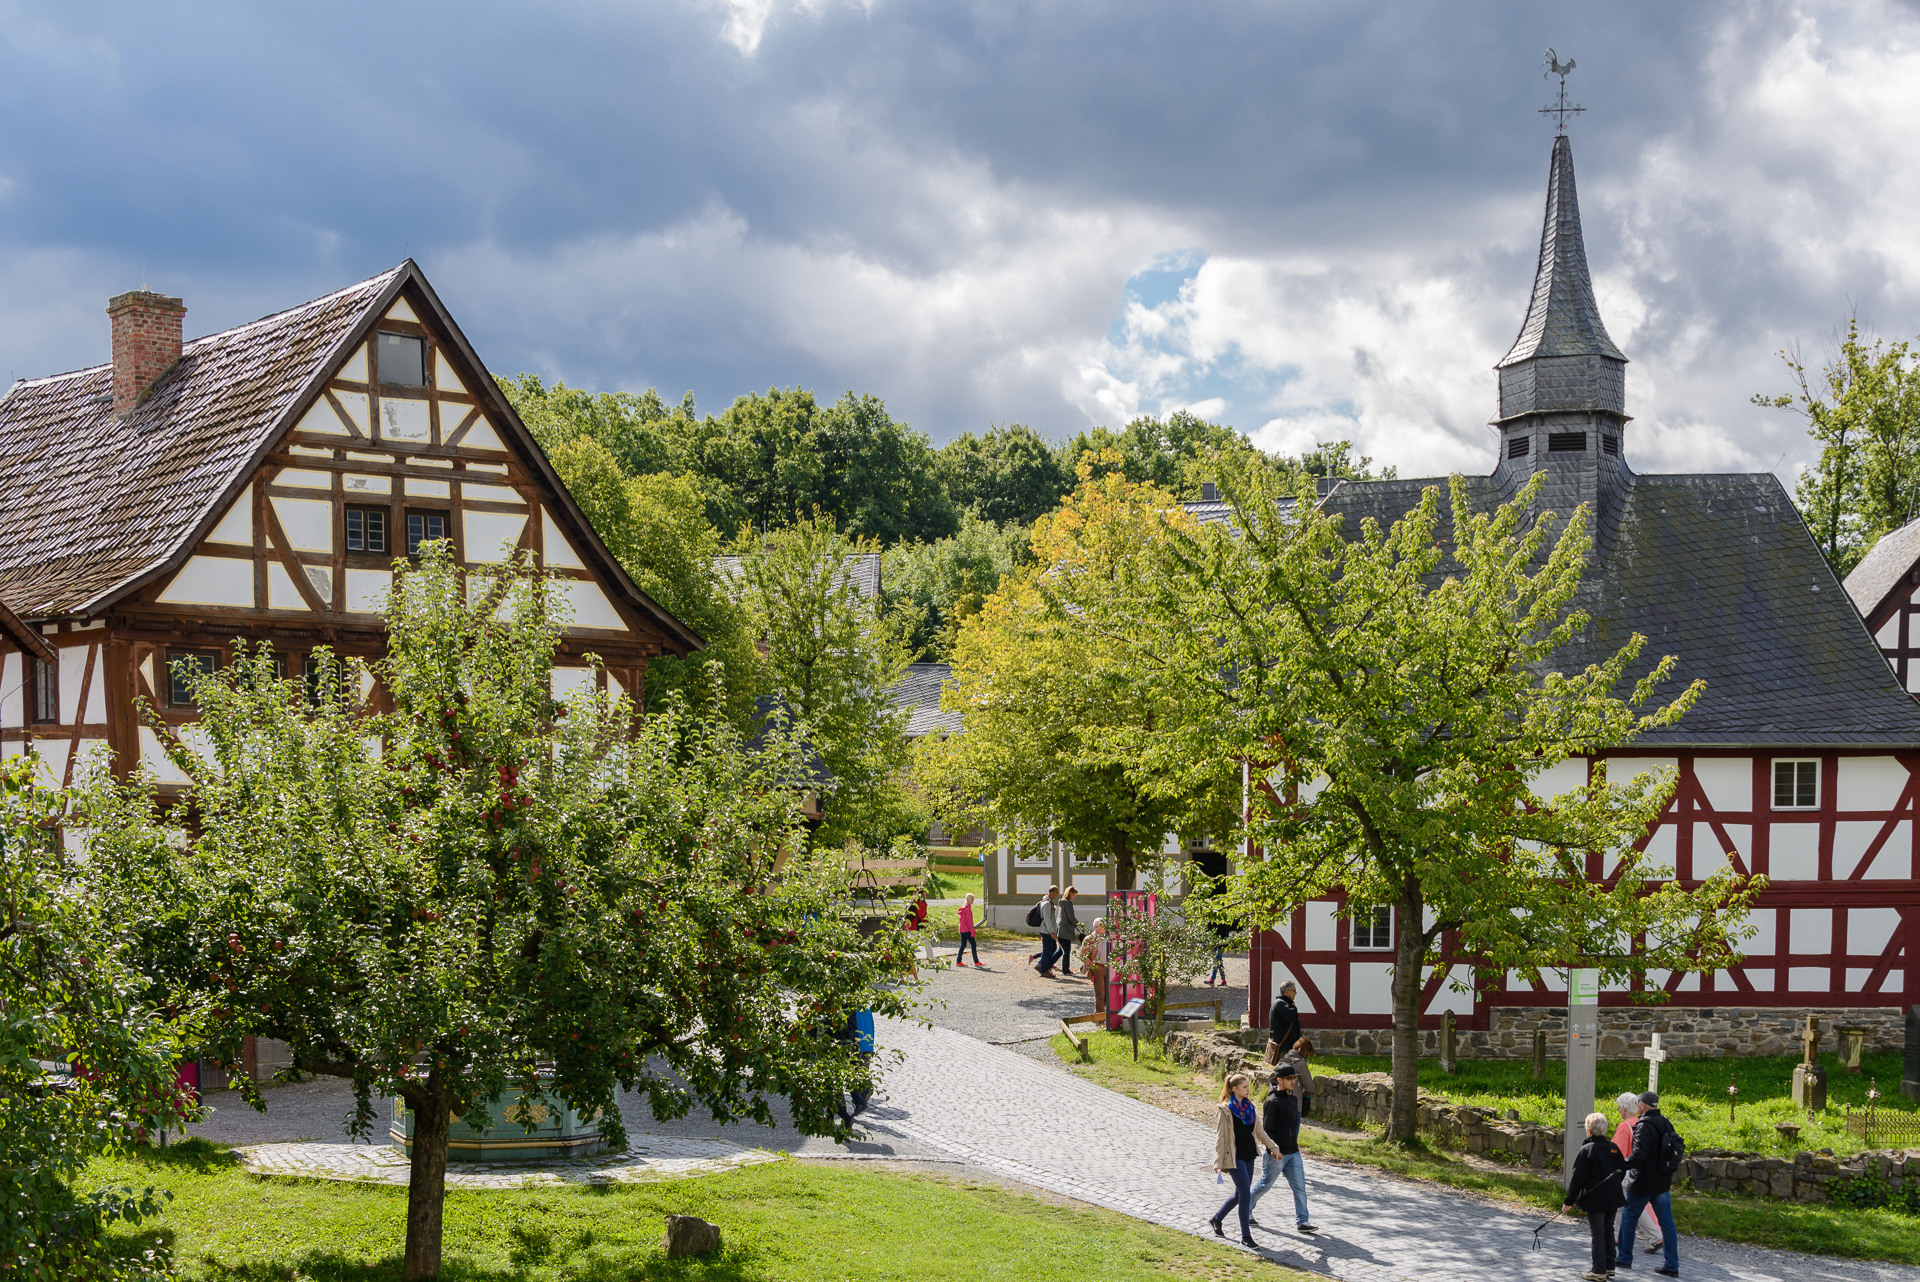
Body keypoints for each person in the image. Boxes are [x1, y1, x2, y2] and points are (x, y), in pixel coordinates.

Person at [1210, 1071, 1282, 1247]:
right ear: (1234, 1089)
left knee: (1239, 1194)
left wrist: (1273, 1147)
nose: (1248, 1090)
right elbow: (1221, 1138)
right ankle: (1246, 1237)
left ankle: (1217, 1219)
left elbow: (1259, 1132)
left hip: (1249, 1153)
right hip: (1234, 1157)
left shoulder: (1250, 1107)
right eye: (1244, 1087)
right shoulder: (1225, 1110)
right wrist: (1218, 1161)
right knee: (1245, 1194)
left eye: (1248, 1086)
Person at [1617, 1091, 1680, 1276]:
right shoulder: (1665, 1122)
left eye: (1638, 1104)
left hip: (1643, 1181)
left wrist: (1622, 1164)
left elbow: (1639, 1155)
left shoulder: (1643, 1125)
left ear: (1643, 1106)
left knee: (1629, 1217)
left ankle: (1624, 1258)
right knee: (1667, 1223)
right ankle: (1672, 1265)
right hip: (1662, 1181)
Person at [1248, 1064, 1316, 1234]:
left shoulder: (1294, 1099)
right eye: (1289, 1079)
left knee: (1300, 1187)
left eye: (1294, 1078)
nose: (1294, 1081)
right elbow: (1267, 1130)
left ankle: (1303, 1221)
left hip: (1294, 1153)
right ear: (1279, 1080)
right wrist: (1273, 1150)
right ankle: (1246, 1209)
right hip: (1276, 1154)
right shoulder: (1272, 1102)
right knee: (1265, 1184)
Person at [1565, 1111, 1626, 1281]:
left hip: (1595, 1198)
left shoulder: (1587, 1149)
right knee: (1608, 1228)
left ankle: (1598, 1270)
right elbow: (1622, 1169)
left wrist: (1569, 1200)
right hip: (1613, 1196)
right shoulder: (1613, 1147)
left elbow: (1578, 1178)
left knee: (1598, 1232)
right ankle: (1609, 1266)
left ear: (1588, 1130)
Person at [1614, 1093, 1663, 1260]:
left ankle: (1655, 1236)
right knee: (1625, 1204)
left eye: (1620, 1107)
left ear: (1625, 1108)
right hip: (1641, 1170)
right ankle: (1616, 1235)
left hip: (1626, 1171)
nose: (1619, 1110)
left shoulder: (1624, 1126)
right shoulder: (1640, 1123)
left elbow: (1618, 1153)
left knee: (1629, 1205)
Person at [1267, 980, 1302, 1065]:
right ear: (1287, 991)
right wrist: (1294, 1007)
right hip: (1284, 1046)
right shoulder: (1280, 1003)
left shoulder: (1281, 1003)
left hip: (1287, 1045)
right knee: (1284, 1071)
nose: (1295, 993)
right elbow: (1291, 1016)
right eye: (1294, 990)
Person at [1279, 1038, 1315, 1119]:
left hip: (1279, 1101)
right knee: (1293, 1130)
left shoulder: (1283, 1060)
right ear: (1306, 1051)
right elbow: (1310, 1086)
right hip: (1294, 1104)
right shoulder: (1301, 1064)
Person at [1080, 917, 1110, 1012]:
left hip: (1108, 967)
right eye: (1102, 926)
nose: (1105, 928)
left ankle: (1098, 1014)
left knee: (1107, 993)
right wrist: (1090, 964)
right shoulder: (1090, 939)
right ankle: (1100, 1019)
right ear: (1097, 927)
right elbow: (1082, 955)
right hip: (1098, 967)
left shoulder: (1108, 937)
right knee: (1100, 993)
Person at [1030, 886, 1061, 976]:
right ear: (1052, 892)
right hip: (1046, 931)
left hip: (1048, 930)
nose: (1057, 895)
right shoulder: (1046, 904)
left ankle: (1042, 965)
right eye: (1056, 893)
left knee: (1052, 949)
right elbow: (1047, 919)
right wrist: (1052, 931)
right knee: (1047, 951)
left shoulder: (1049, 902)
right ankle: (1044, 970)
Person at [1055, 887, 1081, 977]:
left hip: (1061, 928)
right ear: (1070, 893)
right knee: (1066, 950)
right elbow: (1071, 917)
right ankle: (1065, 970)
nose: (1074, 896)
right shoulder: (1068, 903)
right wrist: (1079, 925)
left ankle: (1046, 964)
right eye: (1074, 894)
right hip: (1066, 930)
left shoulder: (1062, 902)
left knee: (1060, 950)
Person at [954, 892, 983, 967]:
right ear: (971, 900)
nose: (973, 901)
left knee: (963, 945)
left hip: (962, 929)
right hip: (967, 930)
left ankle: (958, 961)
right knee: (973, 944)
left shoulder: (962, 909)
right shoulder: (968, 910)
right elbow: (969, 922)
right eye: (973, 899)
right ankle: (976, 961)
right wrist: (972, 931)